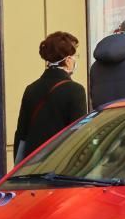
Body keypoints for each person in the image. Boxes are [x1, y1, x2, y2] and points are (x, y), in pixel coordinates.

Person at [13, 32, 88, 163]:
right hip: (60, 163)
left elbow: (21, 133)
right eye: (75, 56)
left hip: (33, 164)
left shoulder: (31, 89)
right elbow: (78, 135)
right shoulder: (75, 90)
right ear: (68, 60)